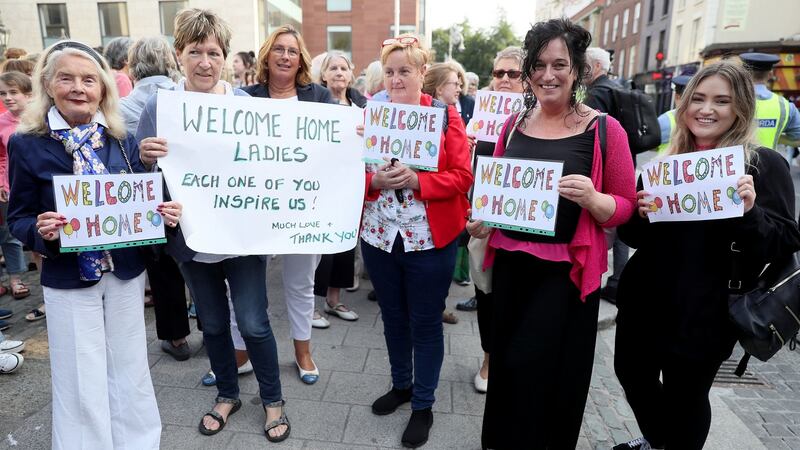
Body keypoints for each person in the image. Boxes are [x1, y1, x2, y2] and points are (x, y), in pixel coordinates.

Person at [612, 61, 800, 450]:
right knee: (631, 373)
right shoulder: (665, 164)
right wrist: (640, 212)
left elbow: (782, 243)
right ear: (683, 106)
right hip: (646, 298)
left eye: (721, 101)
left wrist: (750, 213)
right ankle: (659, 438)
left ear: (741, 108)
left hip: (709, 310)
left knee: (686, 393)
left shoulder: (763, 165)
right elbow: (632, 235)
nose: (706, 109)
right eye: (697, 98)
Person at [467, 19, 636, 448]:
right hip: (510, 266)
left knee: (546, 369)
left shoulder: (603, 129)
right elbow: (498, 196)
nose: (548, 74)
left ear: (576, 70)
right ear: (529, 72)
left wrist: (595, 199)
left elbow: (626, 206)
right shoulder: (513, 124)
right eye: (539, 64)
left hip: (565, 274)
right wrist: (484, 219)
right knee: (507, 361)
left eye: (559, 64)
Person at [8, 40, 182, 449]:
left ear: (103, 89)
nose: (78, 88)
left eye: (89, 80)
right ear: (48, 85)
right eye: (66, 78)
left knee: (131, 368)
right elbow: (17, 217)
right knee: (78, 375)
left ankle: (138, 443)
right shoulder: (27, 143)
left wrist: (164, 216)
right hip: (68, 276)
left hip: (123, 271)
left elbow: (139, 203)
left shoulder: (119, 138)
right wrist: (39, 231)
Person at [136, 9, 288, 441]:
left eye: (214, 52)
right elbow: (141, 177)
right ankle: (227, 392)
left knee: (254, 322)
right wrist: (146, 160)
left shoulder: (245, 106)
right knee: (214, 323)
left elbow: (269, 170)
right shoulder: (159, 107)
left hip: (240, 239)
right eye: (195, 52)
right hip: (190, 240)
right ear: (178, 55)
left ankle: (273, 400)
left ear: (224, 56)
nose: (205, 61)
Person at [361, 33, 472, 448]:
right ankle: (402, 385)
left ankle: (423, 404)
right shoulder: (370, 112)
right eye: (389, 72)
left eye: (404, 71)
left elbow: (463, 177)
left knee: (425, 323)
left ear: (422, 73)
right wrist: (373, 180)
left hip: (429, 240)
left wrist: (418, 180)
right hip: (379, 236)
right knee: (392, 317)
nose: (395, 80)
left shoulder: (444, 116)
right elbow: (345, 172)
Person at [243, 25, 336, 390]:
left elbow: (335, 145)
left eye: (292, 51)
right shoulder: (245, 97)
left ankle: (302, 351)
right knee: (246, 284)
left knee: (300, 283)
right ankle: (240, 351)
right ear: (266, 56)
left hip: (302, 208)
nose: (285, 56)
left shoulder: (320, 97)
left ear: (301, 60)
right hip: (253, 206)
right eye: (278, 49)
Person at [457, 46, 526, 394]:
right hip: (486, 224)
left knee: (519, 297)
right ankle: (488, 357)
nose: (504, 80)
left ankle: (512, 360)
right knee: (486, 292)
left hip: (525, 229)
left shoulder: (540, 115)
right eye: (499, 73)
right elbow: (470, 173)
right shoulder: (482, 116)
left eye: (513, 74)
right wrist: (466, 146)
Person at [120, 36, 193, 362]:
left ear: (133, 65)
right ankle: (211, 323)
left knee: (162, 268)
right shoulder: (186, 97)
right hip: (193, 191)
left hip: (149, 197)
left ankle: (177, 338)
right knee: (201, 259)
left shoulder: (122, 106)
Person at [313, 50, 363, 328]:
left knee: (345, 243)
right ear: (323, 75)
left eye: (344, 68)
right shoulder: (315, 104)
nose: (339, 73)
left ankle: (334, 299)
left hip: (350, 185)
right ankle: (312, 304)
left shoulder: (361, 107)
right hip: (321, 184)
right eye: (333, 68)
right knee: (321, 247)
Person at [584, 46, 629, 304]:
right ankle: (617, 280)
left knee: (609, 225)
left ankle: (615, 281)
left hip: (604, 173)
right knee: (619, 234)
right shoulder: (619, 87)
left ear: (597, 67)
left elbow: (595, 136)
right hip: (623, 164)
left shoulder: (597, 95)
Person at [0, 72, 32, 301]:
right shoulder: (2, 122)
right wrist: (2, 181)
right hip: (13, 186)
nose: (8, 98)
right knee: (17, 235)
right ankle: (18, 279)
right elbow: (2, 157)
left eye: (14, 93)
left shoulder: (39, 118)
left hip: (39, 184)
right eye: (3, 93)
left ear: (29, 95)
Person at [739, 52, 800, 151]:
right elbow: (797, 139)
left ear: (744, 73)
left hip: (737, 164)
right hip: (769, 164)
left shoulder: (733, 100)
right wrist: (777, 137)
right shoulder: (785, 106)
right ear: (770, 74)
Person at [656, 74, 691, 154]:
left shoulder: (664, 120)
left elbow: (651, 145)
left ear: (676, 97)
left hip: (665, 164)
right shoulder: (701, 119)